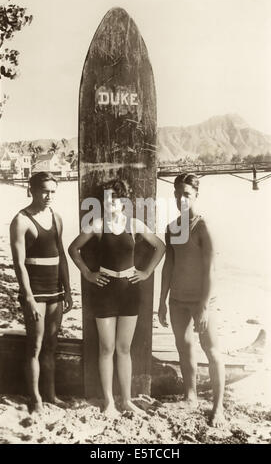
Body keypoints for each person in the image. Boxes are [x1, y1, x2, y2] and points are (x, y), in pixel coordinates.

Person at [69, 179, 165, 417]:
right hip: (105, 290)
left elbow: (160, 247)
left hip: (129, 291)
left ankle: (127, 400)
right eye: (106, 198)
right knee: (106, 347)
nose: (109, 202)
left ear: (124, 201)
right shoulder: (98, 225)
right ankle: (109, 402)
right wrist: (88, 274)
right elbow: (73, 249)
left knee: (123, 348)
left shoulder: (134, 225)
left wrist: (146, 272)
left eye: (114, 198)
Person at [158, 173, 225, 427]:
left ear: (196, 194)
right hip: (177, 300)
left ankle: (218, 408)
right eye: (177, 194)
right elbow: (168, 265)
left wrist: (204, 306)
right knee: (184, 348)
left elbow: (211, 270)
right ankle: (190, 396)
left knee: (212, 351)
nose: (180, 199)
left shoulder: (203, 226)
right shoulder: (172, 228)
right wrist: (161, 300)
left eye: (186, 194)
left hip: (202, 301)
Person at [10, 172, 73, 413]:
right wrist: (27, 297)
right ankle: (35, 398)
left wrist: (68, 290)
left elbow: (62, 257)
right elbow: (19, 264)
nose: (49, 196)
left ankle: (51, 395)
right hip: (35, 291)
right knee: (34, 346)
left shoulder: (56, 217)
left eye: (53, 191)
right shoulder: (21, 220)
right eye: (45, 191)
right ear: (32, 190)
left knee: (51, 345)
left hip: (55, 289)